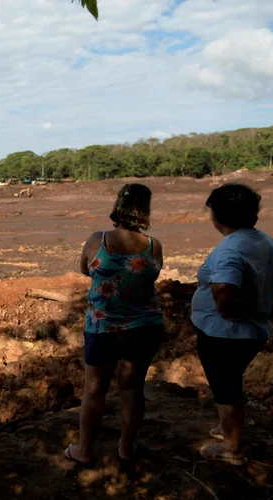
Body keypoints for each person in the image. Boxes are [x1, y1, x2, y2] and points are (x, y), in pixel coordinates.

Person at [65, 183, 164, 465]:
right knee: (132, 390)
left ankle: (84, 451)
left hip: (103, 328)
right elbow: (150, 278)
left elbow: (85, 268)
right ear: (145, 210)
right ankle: (126, 448)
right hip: (145, 327)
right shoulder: (153, 245)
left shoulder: (98, 239)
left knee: (94, 390)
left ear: (118, 206)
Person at [191, 183, 273, 466]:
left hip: (225, 333)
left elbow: (225, 286)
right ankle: (227, 427)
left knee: (225, 387)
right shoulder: (264, 240)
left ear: (219, 216)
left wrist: (225, 307)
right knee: (230, 381)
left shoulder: (231, 248)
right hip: (250, 330)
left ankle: (231, 447)